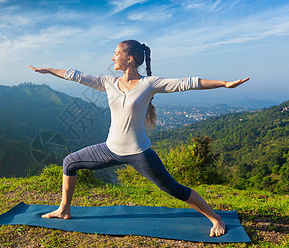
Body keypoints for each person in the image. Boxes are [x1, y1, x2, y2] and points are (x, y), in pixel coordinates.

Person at [28, 40, 249, 237]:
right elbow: (76, 75)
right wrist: (48, 70)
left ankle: (215, 218)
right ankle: (64, 209)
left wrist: (224, 83)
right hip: (109, 149)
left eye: (116, 53)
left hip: (139, 153)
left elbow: (188, 82)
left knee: (174, 189)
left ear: (129, 58)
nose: (112, 57)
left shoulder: (149, 84)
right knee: (69, 162)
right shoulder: (107, 82)